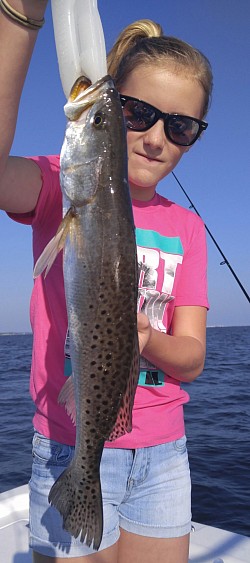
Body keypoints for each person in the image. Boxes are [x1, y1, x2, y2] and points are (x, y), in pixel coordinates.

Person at [0, 2, 213, 562]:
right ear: (113, 109)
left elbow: (191, 359)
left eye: (181, 125)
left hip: (165, 453)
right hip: (71, 439)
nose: (156, 137)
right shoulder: (58, 190)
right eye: (136, 112)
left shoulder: (189, 228)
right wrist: (18, 22)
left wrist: (141, 339)